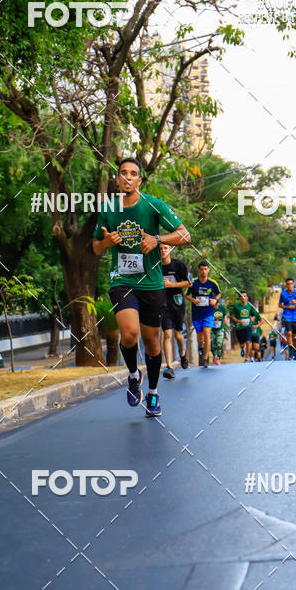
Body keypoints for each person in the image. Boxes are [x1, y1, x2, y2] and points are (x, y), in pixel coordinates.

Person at [93, 157, 190, 417]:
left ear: (140, 180)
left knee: (152, 342)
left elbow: (184, 235)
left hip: (151, 283)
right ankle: (134, 375)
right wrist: (107, 243)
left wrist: (157, 239)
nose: (127, 177)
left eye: (133, 174)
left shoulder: (153, 206)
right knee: (129, 333)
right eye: (122, 173)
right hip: (122, 281)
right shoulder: (108, 209)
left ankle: (154, 393)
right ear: (117, 179)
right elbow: (96, 247)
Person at [160, 243, 191, 378]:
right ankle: (169, 367)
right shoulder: (156, 266)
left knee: (178, 335)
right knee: (167, 335)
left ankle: (182, 354)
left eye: (165, 248)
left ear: (171, 249)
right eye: (160, 248)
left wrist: (171, 285)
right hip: (163, 305)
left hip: (177, 303)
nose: (163, 251)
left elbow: (189, 283)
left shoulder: (178, 265)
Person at [186, 260, 221, 368]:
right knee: (200, 338)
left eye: (205, 269)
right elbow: (186, 295)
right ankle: (201, 347)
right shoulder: (194, 282)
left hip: (209, 313)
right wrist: (193, 300)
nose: (203, 271)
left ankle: (205, 359)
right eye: (201, 269)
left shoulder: (212, 283)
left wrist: (215, 300)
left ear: (208, 270)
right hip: (197, 314)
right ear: (199, 270)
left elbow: (219, 294)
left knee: (207, 333)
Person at [230, 292, 261, 362]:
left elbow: (253, 314)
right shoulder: (236, 306)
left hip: (248, 327)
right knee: (242, 344)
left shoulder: (250, 306)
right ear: (240, 298)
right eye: (242, 296)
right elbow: (232, 316)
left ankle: (247, 358)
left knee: (248, 342)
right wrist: (238, 321)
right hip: (239, 327)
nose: (243, 297)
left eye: (245, 296)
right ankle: (242, 349)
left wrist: (252, 318)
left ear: (247, 297)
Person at [279, 278, 296, 360]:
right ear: (286, 285)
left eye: (291, 283)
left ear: (293, 284)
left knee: (295, 337)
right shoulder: (283, 294)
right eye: (288, 284)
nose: (290, 285)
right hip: (287, 317)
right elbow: (280, 305)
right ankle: (291, 351)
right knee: (289, 333)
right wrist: (287, 307)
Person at [211, 298, 229, 365]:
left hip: (220, 328)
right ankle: (214, 355)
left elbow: (225, 314)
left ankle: (217, 358)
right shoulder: (209, 309)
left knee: (219, 343)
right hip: (212, 329)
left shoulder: (221, 307)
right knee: (213, 344)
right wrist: (213, 321)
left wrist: (225, 319)